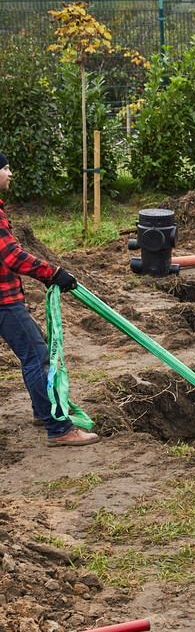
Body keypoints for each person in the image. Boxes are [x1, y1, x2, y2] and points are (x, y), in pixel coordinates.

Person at [0, 151, 100, 445]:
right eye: (5, 168)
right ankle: (59, 429)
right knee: (37, 356)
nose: (10, 174)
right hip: (4, 301)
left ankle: (41, 408)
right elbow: (11, 255)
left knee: (34, 349)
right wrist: (52, 272)